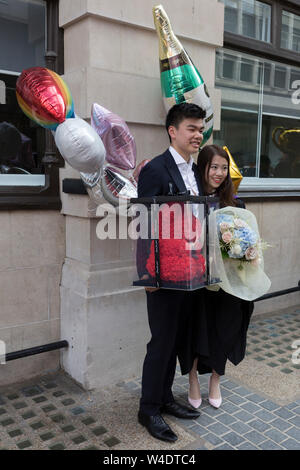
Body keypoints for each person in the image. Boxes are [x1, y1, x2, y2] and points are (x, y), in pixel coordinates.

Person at [137, 102, 206, 442]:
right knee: (161, 342)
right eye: (192, 128)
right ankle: (148, 408)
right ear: (173, 131)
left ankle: (165, 398)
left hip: (190, 274)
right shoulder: (156, 168)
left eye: (201, 128)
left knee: (177, 339)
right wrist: (147, 274)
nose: (198, 134)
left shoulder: (194, 171)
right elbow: (144, 224)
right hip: (162, 275)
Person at [178, 144, 254, 410]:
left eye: (224, 168)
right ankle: (192, 381)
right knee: (194, 331)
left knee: (224, 329)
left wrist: (246, 253)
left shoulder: (236, 205)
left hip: (225, 285)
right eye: (214, 167)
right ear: (203, 168)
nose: (219, 173)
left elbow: (246, 244)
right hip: (196, 282)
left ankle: (215, 381)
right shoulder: (190, 201)